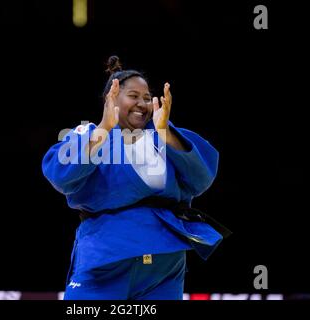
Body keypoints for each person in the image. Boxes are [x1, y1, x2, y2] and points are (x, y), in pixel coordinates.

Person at [42, 56, 227, 300]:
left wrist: (166, 133)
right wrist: (104, 129)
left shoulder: (163, 135)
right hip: (109, 255)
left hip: (162, 257)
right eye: (133, 95)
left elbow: (201, 179)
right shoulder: (88, 135)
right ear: (112, 97)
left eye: (147, 98)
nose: (142, 103)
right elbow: (60, 176)